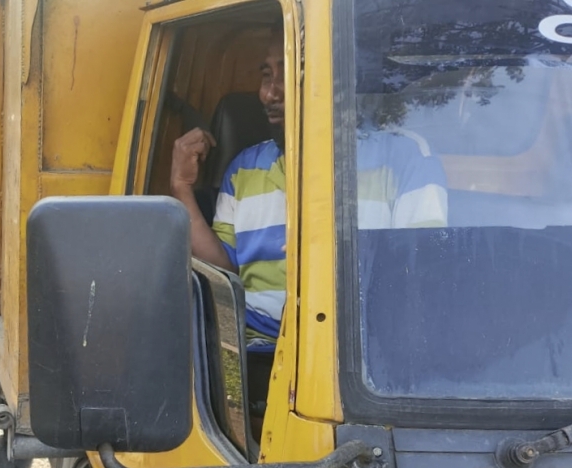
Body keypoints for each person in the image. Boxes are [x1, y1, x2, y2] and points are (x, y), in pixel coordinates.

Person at [170, 23, 448, 398]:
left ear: (339, 80)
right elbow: (226, 270)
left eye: (290, 73)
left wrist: (331, 254)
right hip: (257, 358)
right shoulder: (245, 167)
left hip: (360, 363)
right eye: (267, 75)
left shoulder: (406, 158)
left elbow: (420, 270)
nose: (269, 93)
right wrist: (181, 190)